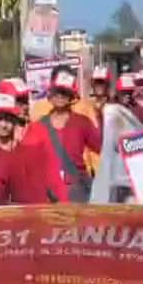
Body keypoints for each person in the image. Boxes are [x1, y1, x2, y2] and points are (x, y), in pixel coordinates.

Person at [22, 68, 102, 203]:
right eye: (57, 91)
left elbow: (102, 148)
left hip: (77, 189)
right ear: (50, 93)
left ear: (71, 96)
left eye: (65, 93)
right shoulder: (38, 125)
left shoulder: (82, 122)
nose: (60, 96)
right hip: (47, 192)